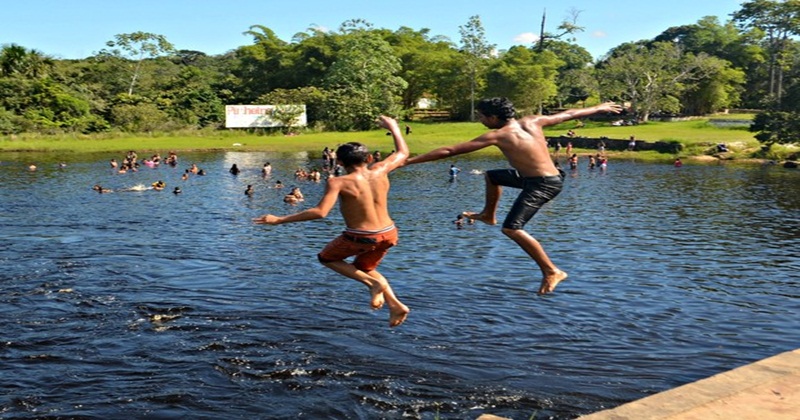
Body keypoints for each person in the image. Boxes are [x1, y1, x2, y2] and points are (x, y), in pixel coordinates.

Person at [404, 97, 622, 294]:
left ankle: (552, 271)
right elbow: (568, 114)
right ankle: (488, 215)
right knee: (492, 176)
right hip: (545, 178)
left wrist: (408, 161)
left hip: (542, 185)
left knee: (512, 228)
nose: (480, 121)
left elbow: (450, 151)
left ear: (494, 117)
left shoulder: (499, 135)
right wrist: (598, 107)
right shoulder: (533, 121)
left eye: (482, 117)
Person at [253, 116, 410, 327]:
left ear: (340, 163)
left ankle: (372, 285)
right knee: (363, 267)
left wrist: (280, 219)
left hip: (362, 236)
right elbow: (403, 153)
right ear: (370, 158)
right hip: (389, 233)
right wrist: (393, 127)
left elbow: (320, 212)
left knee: (326, 259)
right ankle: (395, 304)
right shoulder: (380, 169)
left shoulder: (338, 181)